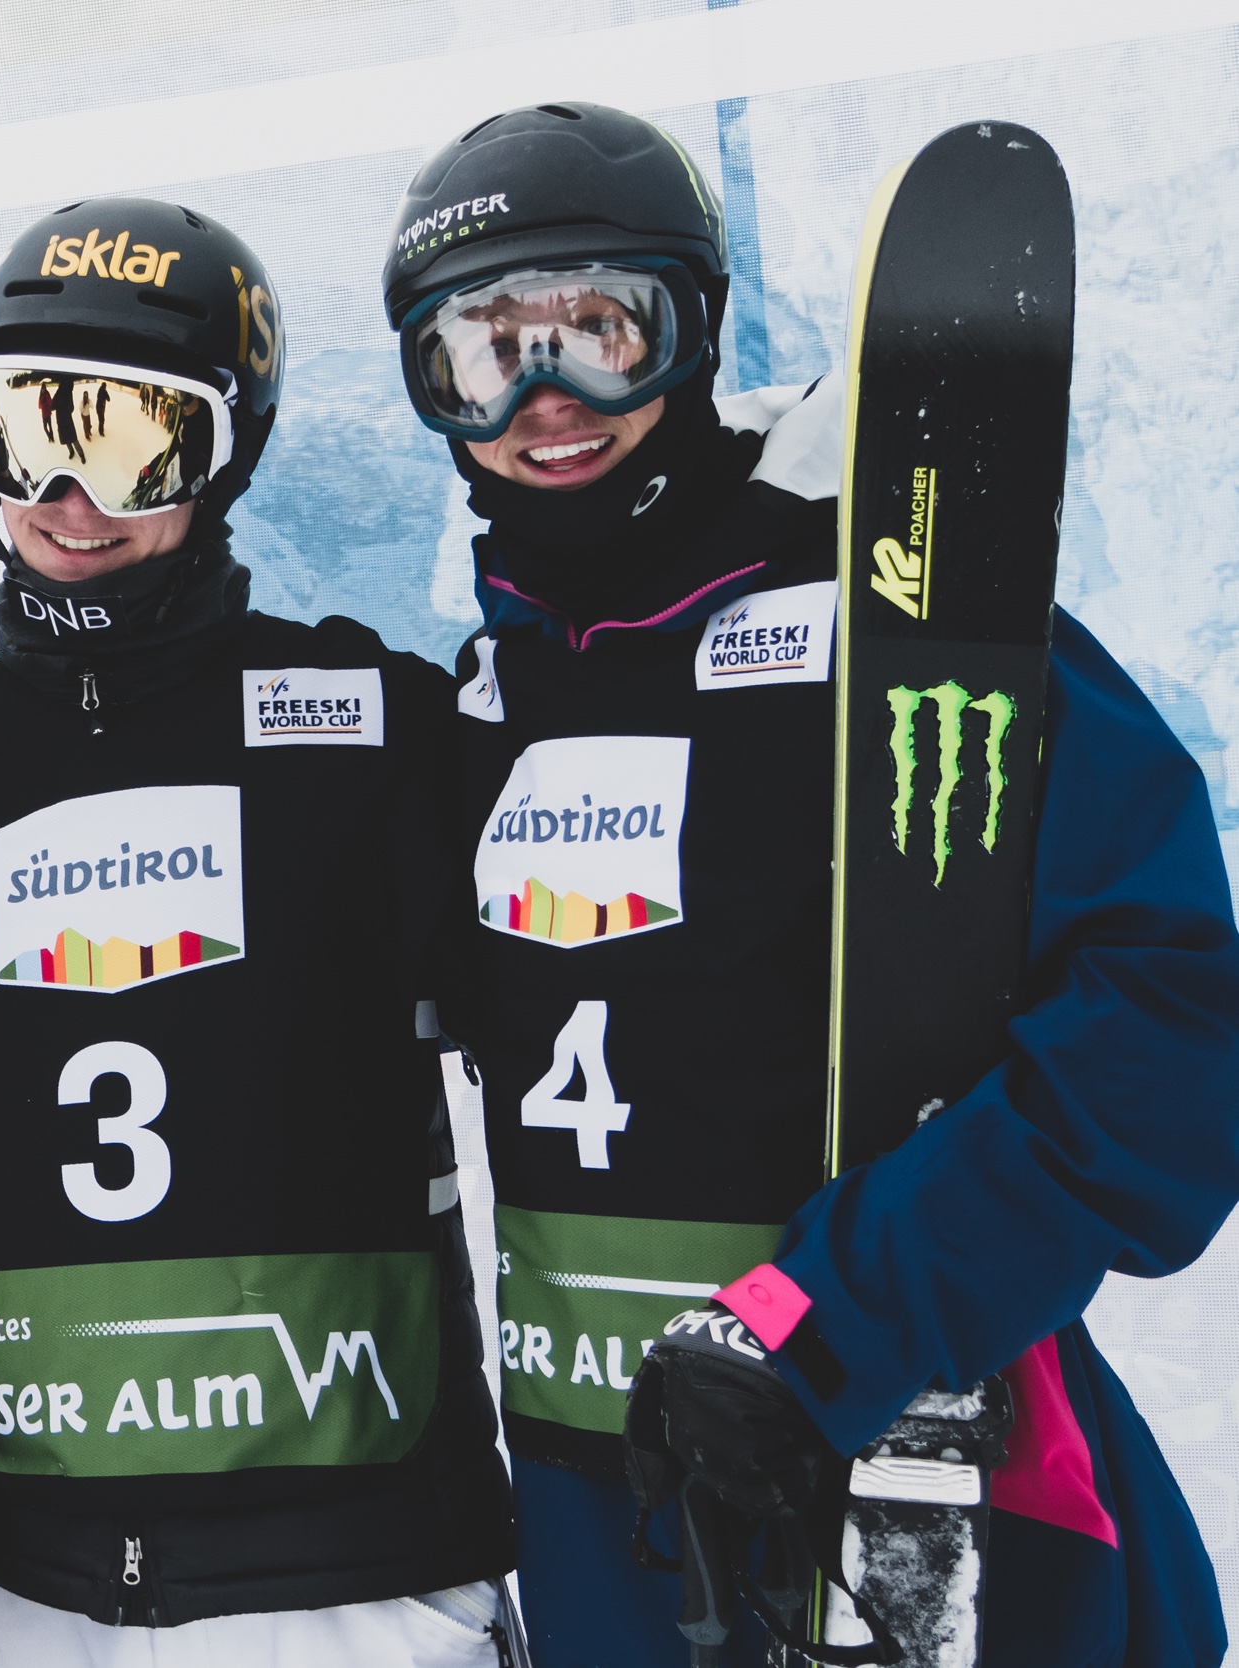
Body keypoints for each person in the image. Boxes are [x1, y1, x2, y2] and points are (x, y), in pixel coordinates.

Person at [377, 101, 1239, 1666]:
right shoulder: (490, 708)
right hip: (608, 1514)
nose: (548, 400)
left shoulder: (911, 625)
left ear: (689, 333)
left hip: (929, 1492)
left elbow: (1174, 1048)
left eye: (601, 330)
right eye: (486, 351)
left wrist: (835, 1320)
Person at [0, 196, 521, 1665]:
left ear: (225, 456)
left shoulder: (374, 745)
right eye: (25, 434)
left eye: (133, 443)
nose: (69, 493)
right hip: (42, 1580)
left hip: (355, 1580)